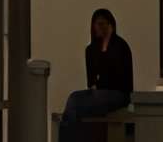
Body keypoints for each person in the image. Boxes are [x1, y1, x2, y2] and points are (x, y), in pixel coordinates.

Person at [57, 9, 135, 142]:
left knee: (78, 106)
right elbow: (92, 80)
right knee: (73, 98)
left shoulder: (120, 46)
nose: (100, 28)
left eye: (103, 24)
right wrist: (99, 81)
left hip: (118, 93)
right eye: (97, 24)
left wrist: (107, 44)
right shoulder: (91, 50)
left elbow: (120, 79)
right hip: (98, 92)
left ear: (110, 25)